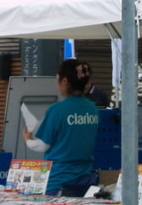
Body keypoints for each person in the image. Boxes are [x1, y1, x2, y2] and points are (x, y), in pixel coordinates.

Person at [22, 58, 101, 197]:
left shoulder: (57, 110)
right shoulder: (92, 109)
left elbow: (42, 146)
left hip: (58, 181)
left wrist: (28, 139)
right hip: (86, 181)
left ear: (64, 81)